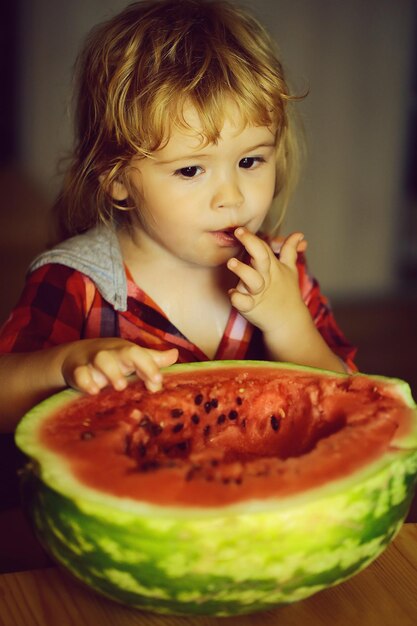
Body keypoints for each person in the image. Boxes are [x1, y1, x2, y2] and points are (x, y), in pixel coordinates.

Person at [0, 0, 356, 432]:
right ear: (117, 179)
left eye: (250, 162)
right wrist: (66, 363)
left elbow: (352, 405)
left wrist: (290, 327)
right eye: (191, 169)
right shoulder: (78, 283)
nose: (232, 197)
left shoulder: (282, 273)